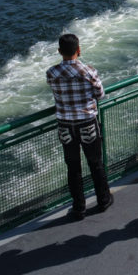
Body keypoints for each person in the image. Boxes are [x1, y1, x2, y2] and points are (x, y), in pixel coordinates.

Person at [45, 33, 113, 221]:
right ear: (79, 50)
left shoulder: (52, 72)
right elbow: (100, 95)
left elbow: (54, 88)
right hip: (87, 123)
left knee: (73, 167)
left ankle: (79, 207)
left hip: (65, 126)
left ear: (59, 51)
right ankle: (103, 200)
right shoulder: (89, 71)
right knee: (96, 163)